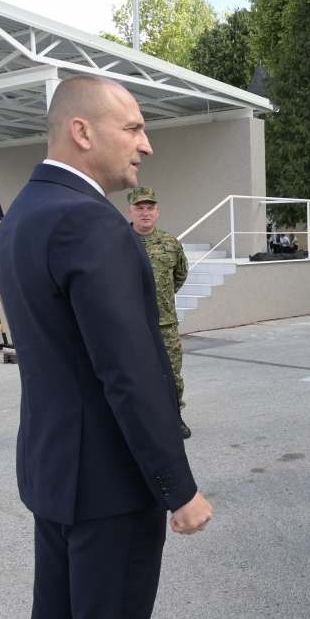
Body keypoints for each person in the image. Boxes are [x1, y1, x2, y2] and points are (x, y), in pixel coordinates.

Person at [0, 74, 213, 619]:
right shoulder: (89, 222)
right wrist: (178, 488)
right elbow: (129, 372)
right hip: (110, 487)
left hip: (57, 473)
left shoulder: (24, 214)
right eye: (134, 128)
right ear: (82, 131)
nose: (146, 145)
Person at [127, 186, 192, 439]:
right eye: (139, 208)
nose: (145, 212)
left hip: (164, 323)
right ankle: (135, 421)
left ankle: (175, 417)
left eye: (150, 208)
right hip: (129, 324)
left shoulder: (170, 243)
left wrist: (160, 299)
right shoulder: (117, 241)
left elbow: (180, 275)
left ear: (157, 212)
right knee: (132, 374)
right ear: (130, 212)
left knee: (171, 373)